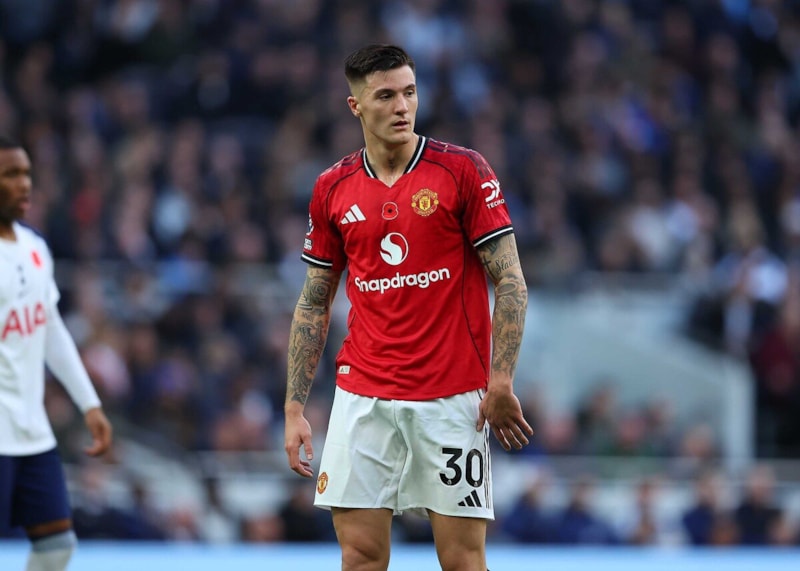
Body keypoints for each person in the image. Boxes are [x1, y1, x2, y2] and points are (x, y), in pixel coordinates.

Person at [284, 44, 533, 571]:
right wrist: (293, 407)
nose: (402, 107)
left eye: (410, 93)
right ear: (355, 106)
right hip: (362, 397)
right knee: (359, 556)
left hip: (451, 398)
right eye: (385, 96)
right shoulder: (332, 188)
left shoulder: (462, 170)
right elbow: (313, 302)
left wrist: (501, 379)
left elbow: (510, 281)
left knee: (462, 560)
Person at [0, 136, 113, 570]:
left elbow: (50, 329)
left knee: (56, 547)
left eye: (26, 173)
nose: (24, 184)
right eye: (10, 174)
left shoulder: (34, 247)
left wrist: (89, 404)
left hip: (32, 432)